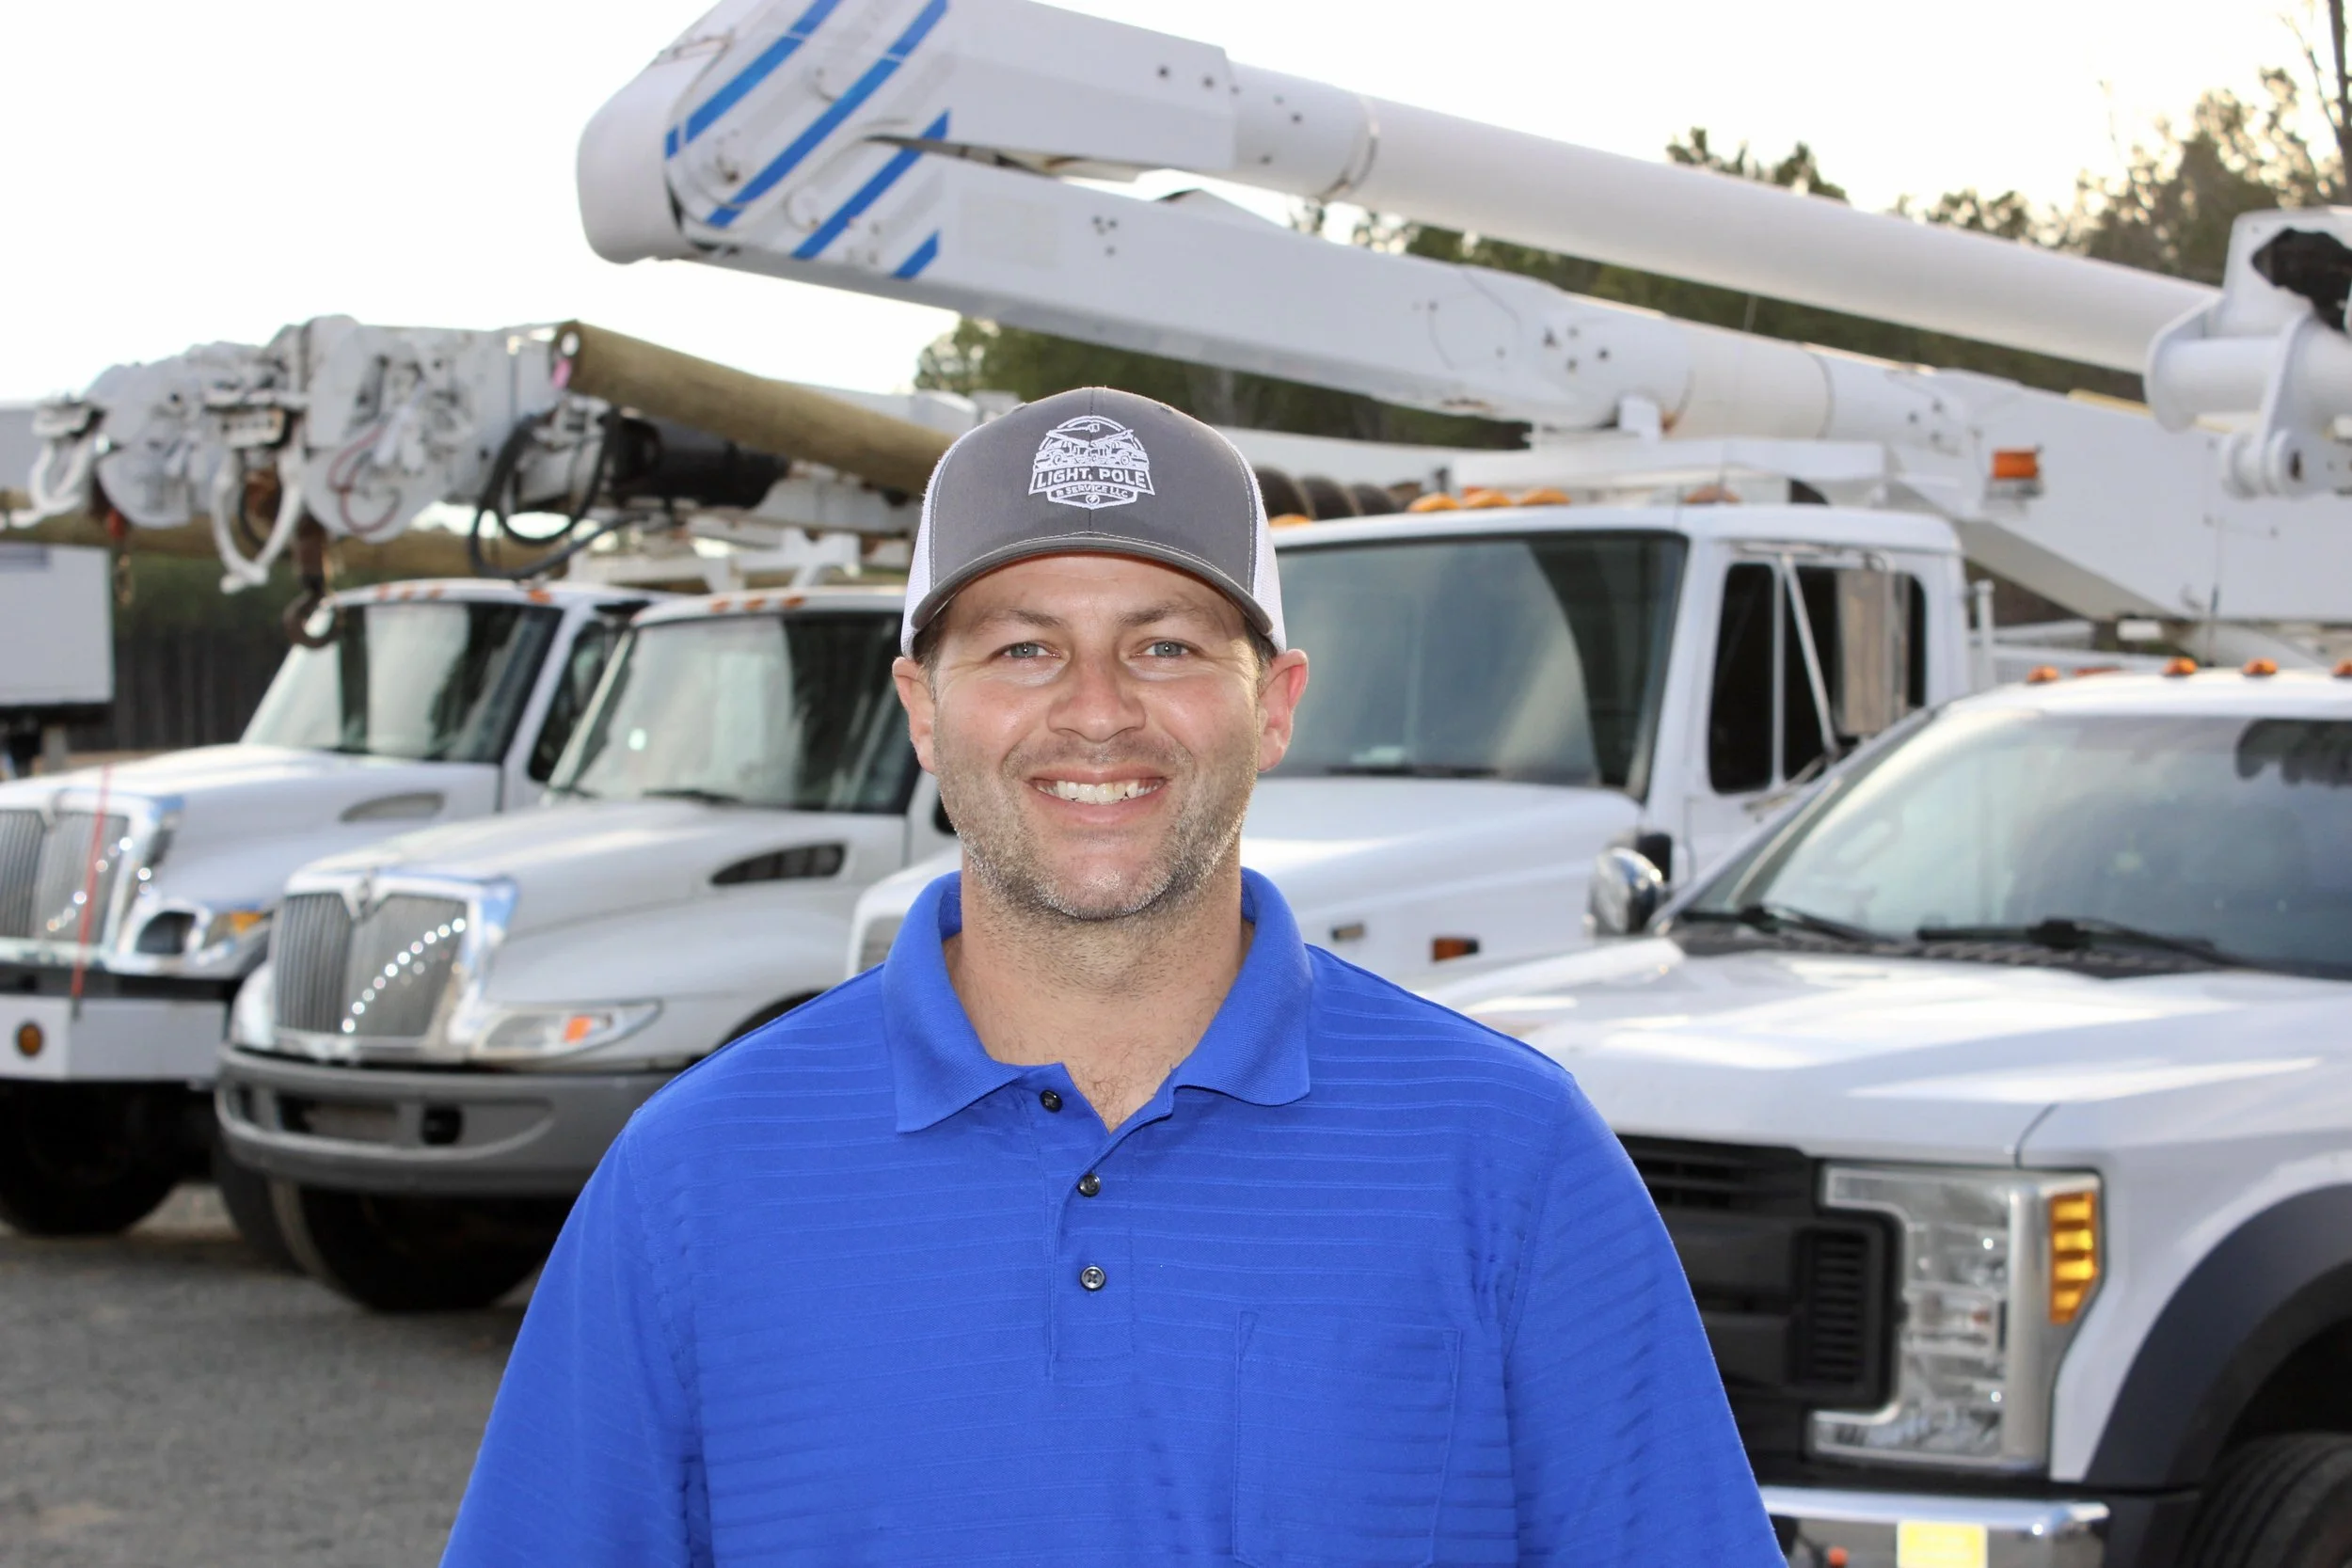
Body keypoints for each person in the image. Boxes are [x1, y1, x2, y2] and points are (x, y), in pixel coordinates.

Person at [441, 388, 1781, 1565]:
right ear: (921, 705)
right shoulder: (694, 1180)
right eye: (1024, 646)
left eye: (1168, 644)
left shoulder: (1511, 1161)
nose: (1096, 708)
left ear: (1276, 702)